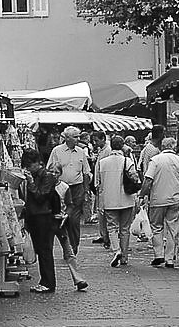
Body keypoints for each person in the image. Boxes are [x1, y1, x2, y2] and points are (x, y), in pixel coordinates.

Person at [139, 137, 179, 268]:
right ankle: (170, 259)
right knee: (173, 228)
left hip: (157, 199)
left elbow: (148, 180)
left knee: (156, 227)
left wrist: (142, 195)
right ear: (174, 147)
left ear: (163, 146)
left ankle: (159, 254)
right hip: (175, 199)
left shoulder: (156, 160)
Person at [96, 135, 139, 267]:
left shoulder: (102, 162)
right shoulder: (127, 161)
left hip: (109, 200)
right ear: (122, 146)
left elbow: (98, 184)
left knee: (112, 227)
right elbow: (135, 178)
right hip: (126, 199)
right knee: (125, 228)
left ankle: (116, 250)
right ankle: (124, 257)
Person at [47, 125, 91, 255]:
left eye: (78, 136)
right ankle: (66, 245)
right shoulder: (57, 151)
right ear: (66, 138)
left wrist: (86, 191)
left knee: (74, 219)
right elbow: (50, 170)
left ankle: (74, 245)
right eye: (75, 136)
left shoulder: (81, 151)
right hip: (61, 188)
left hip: (77, 188)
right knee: (61, 217)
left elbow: (86, 172)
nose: (78, 139)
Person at [21, 149, 59, 293]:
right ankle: (44, 281)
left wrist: (30, 183)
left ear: (38, 163)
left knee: (45, 250)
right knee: (41, 249)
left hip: (43, 216)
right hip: (34, 217)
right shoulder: (36, 175)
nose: (28, 168)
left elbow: (41, 197)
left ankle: (48, 283)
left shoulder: (47, 176)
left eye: (30, 165)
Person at [54, 180, 89, 290]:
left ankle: (78, 279)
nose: (53, 174)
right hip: (49, 222)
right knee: (46, 252)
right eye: (51, 171)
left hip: (61, 223)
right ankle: (48, 280)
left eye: (56, 172)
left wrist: (66, 215)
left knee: (69, 251)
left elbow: (70, 205)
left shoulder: (64, 187)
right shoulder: (44, 185)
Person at [90, 131, 112, 248]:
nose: (95, 143)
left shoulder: (108, 150)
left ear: (103, 139)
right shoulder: (101, 150)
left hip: (104, 185)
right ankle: (103, 234)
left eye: (97, 140)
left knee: (103, 211)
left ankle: (106, 236)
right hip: (99, 185)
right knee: (100, 211)